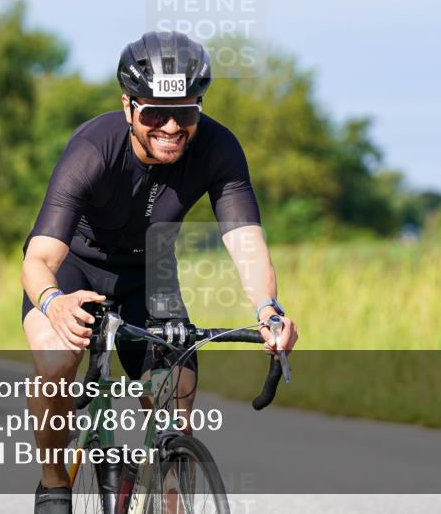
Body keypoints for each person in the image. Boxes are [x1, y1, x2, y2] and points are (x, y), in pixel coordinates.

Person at [21, 31, 298, 513]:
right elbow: (39, 257)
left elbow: (245, 240)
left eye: (186, 113)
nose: (171, 126)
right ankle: (53, 485)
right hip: (73, 272)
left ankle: (168, 494)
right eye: (154, 113)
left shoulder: (218, 148)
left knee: (176, 390)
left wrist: (268, 308)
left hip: (149, 274)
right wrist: (53, 302)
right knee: (55, 361)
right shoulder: (92, 148)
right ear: (128, 106)